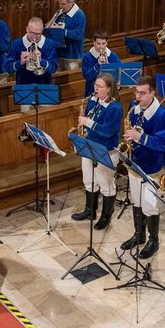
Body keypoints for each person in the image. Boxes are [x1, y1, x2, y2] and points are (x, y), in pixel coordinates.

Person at [118, 75, 165, 259]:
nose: (137, 96)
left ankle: (153, 240)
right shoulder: (134, 107)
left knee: (150, 205)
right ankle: (139, 235)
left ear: (152, 93)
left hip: (151, 167)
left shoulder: (161, 115)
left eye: (142, 93)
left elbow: (162, 144)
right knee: (136, 201)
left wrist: (139, 137)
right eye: (136, 92)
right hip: (135, 163)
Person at [71, 73, 123, 230]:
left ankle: (106, 215)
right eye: (95, 85)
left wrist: (88, 123)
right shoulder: (93, 101)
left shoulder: (115, 107)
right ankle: (90, 211)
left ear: (109, 89)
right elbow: (88, 119)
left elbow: (107, 131)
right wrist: (84, 130)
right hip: (89, 146)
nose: (96, 89)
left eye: (100, 87)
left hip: (106, 150)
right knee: (89, 180)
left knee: (106, 184)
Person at [4, 17, 58, 86]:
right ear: (27, 29)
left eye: (38, 34)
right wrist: (20, 62)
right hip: (23, 85)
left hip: (44, 84)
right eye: (32, 33)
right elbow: (8, 68)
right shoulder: (16, 44)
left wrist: (41, 61)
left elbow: (53, 69)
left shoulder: (50, 44)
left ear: (42, 31)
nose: (34, 37)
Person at [50, 0, 86, 71]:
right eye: (59, 3)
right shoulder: (60, 12)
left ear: (71, 3)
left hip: (72, 57)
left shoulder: (79, 15)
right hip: (58, 54)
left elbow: (78, 35)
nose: (60, 6)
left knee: (71, 80)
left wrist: (62, 31)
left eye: (63, 4)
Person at [81, 31, 121, 98]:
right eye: (98, 44)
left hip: (110, 92)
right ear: (94, 42)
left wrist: (108, 66)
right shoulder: (87, 56)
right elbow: (87, 76)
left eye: (103, 43)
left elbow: (119, 75)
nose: (101, 46)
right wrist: (97, 65)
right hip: (93, 91)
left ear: (107, 42)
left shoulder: (113, 56)